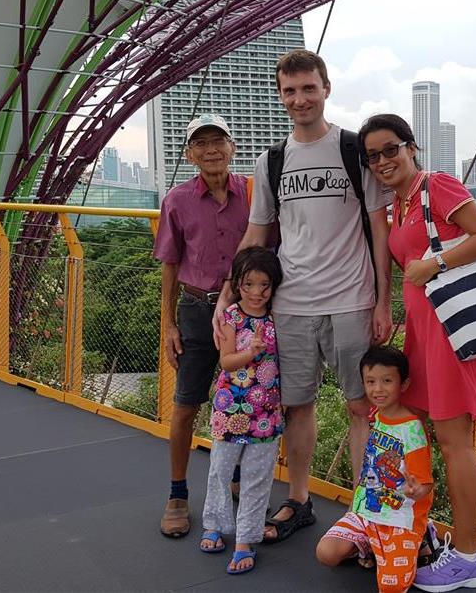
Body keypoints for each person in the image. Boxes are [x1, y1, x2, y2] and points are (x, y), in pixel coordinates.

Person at [213, 49, 393, 543]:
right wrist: (227, 294)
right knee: (296, 405)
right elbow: (257, 231)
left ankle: (365, 511)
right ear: (281, 96)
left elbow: (379, 229)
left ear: (326, 89)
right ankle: (298, 499)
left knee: (361, 406)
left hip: (351, 299)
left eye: (308, 88)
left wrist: (382, 301)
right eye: (290, 91)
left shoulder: (354, 151)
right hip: (290, 304)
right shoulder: (271, 160)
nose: (300, 99)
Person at [359, 113, 476, 591]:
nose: (383, 160)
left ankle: (469, 556)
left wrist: (435, 262)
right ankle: (441, 540)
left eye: (390, 149)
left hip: (450, 332)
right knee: (422, 437)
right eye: (373, 155)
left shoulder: (435, 185)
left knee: (454, 442)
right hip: (423, 333)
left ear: (411, 146)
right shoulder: (395, 205)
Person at [154, 113, 249, 539]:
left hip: (246, 313)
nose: (211, 150)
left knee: (248, 400)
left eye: (219, 141)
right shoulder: (177, 200)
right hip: (196, 310)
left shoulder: (252, 191)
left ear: (232, 147)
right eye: (201, 144)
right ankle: (177, 493)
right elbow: (170, 265)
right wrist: (169, 324)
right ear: (189, 154)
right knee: (187, 404)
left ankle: (238, 480)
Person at [316, 346, 434, 593]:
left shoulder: (411, 430)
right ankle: (371, 545)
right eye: (371, 382)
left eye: (387, 381)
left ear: (404, 384)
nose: (377, 389)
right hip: (366, 510)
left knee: (391, 587)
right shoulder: (376, 415)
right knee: (326, 554)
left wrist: (416, 491)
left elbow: (425, 484)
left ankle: (422, 536)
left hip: (398, 517)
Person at [199, 247, 285, 575]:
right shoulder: (232, 315)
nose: (257, 292)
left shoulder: (279, 317)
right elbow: (226, 361)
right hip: (230, 406)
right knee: (220, 470)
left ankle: (245, 540)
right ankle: (215, 524)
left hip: (267, 411)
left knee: (257, 478)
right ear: (238, 284)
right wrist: (252, 351)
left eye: (265, 285)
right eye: (249, 284)